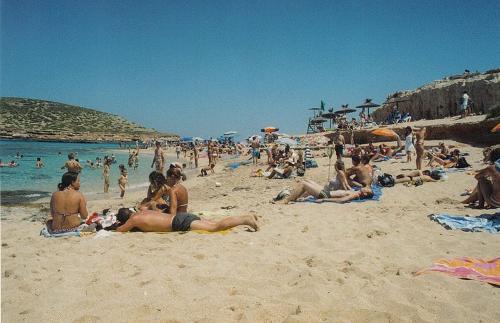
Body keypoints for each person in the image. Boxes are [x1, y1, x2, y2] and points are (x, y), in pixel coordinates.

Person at [114, 208, 259, 233]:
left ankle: (246, 220)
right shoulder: (141, 212)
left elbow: (120, 230)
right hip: (181, 216)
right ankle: (247, 216)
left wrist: (116, 226)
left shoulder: (134, 220)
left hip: (179, 223)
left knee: (215, 227)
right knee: (214, 223)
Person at [284, 160, 351, 203]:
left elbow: (344, 185)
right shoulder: (342, 173)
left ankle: (287, 200)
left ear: (336, 166)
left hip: (326, 193)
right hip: (325, 190)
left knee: (304, 184)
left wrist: (348, 191)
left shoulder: (340, 172)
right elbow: (346, 184)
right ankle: (295, 197)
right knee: (306, 180)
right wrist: (350, 189)